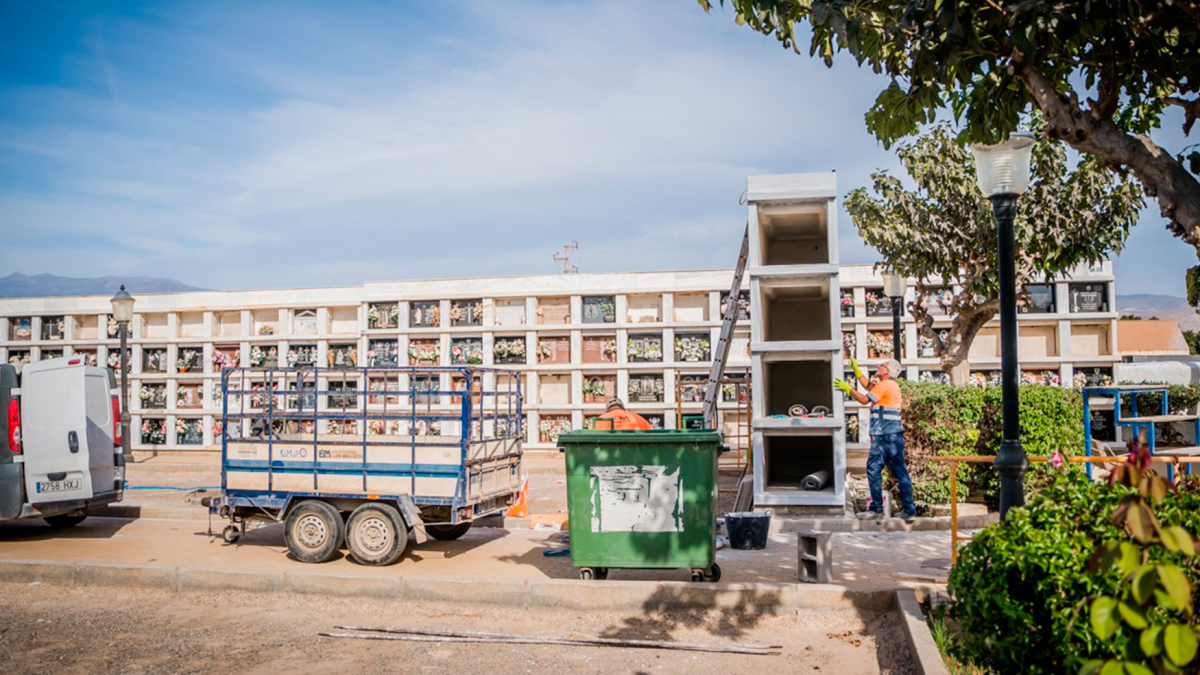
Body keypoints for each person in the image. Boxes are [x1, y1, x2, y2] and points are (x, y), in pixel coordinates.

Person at [834, 357, 916, 521]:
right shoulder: (889, 385)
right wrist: (857, 372)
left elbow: (864, 399)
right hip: (894, 436)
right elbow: (868, 387)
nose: (879, 366)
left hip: (883, 436)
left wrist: (848, 389)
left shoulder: (885, 385)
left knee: (873, 470)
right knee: (901, 473)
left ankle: (876, 509)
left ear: (887, 371)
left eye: (882, 365)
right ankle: (909, 510)